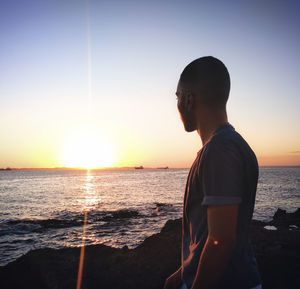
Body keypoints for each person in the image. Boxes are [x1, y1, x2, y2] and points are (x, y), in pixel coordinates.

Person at [163, 56, 262, 289]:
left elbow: (221, 242)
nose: (177, 105)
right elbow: (208, 233)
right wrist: (181, 275)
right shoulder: (224, 147)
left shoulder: (220, 150)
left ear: (188, 99)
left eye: (177, 97)